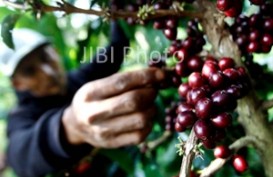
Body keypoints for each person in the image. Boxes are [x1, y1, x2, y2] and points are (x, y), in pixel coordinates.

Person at [0, 22, 165, 177]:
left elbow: (116, 49)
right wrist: (70, 127)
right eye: (30, 71)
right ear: (18, 83)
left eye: (45, 57)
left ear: (55, 51)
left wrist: (118, 13)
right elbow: (20, 155)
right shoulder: (21, 116)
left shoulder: (80, 79)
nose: (47, 72)